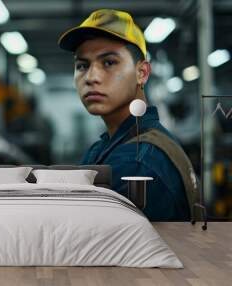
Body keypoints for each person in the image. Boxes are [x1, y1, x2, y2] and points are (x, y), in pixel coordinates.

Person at [58, 9, 191, 221]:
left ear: (142, 73)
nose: (91, 77)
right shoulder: (105, 147)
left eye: (108, 62)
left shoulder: (136, 162)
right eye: (82, 65)